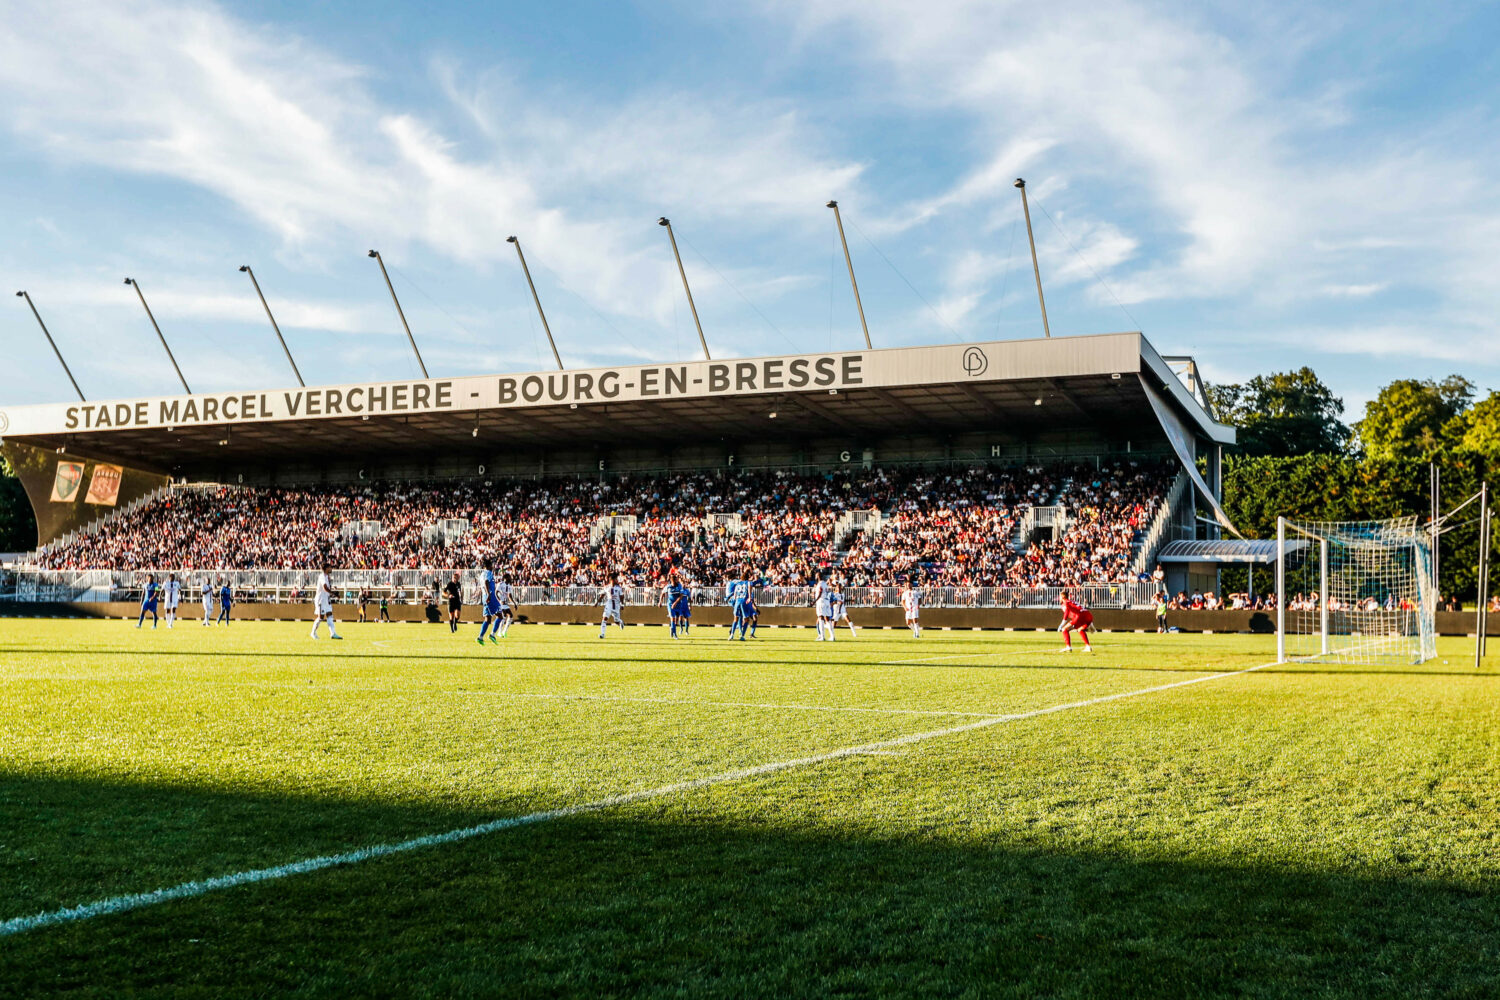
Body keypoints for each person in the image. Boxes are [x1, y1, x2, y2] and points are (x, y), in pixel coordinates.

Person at [310, 562, 342, 639]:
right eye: (330, 567)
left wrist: (332, 592)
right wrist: (333, 593)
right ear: (326, 568)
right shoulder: (322, 576)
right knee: (320, 617)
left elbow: (326, 588)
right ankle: (313, 633)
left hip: (326, 599)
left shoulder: (327, 577)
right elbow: (324, 588)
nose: (331, 569)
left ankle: (333, 633)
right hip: (321, 600)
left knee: (330, 615)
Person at [478, 558, 501, 644]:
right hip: (490, 596)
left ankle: (480, 637)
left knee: (488, 619)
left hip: (485, 597)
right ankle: (492, 634)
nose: (492, 566)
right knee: (500, 615)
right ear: (488, 566)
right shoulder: (488, 573)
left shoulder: (482, 574)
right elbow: (486, 582)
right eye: (491, 565)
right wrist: (489, 594)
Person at [600, 573, 626, 638]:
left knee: (616, 621)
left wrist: (622, 604)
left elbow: (622, 596)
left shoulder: (619, 588)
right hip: (609, 604)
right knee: (604, 618)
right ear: (612, 580)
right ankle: (602, 634)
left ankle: (620, 622)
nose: (617, 580)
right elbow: (602, 595)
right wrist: (597, 602)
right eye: (616, 579)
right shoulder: (606, 587)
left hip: (616, 606)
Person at [813, 573, 835, 641]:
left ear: (818, 576)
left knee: (821, 618)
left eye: (816, 575)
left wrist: (814, 601)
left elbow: (820, 592)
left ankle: (822, 637)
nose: (816, 576)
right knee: (828, 619)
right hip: (826, 601)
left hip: (821, 601)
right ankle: (832, 636)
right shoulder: (825, 584)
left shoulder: (820, 584)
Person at [496, 573, 514, 638]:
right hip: (500, 603)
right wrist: (499, 600)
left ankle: (504, 631)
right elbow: (496, 592)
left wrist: (514, 603)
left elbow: (509, 596)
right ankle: (499, 632)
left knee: (511, 616)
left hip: (505, 604)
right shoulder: (500, 584)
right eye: (509, 577)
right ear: (506, 578)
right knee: (503, 616)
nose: (510, 578)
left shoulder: (509, 586)